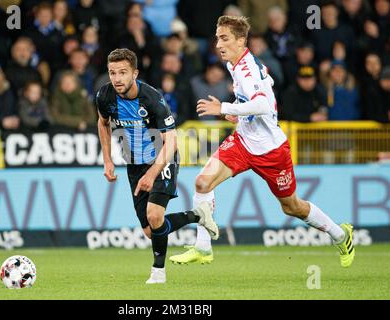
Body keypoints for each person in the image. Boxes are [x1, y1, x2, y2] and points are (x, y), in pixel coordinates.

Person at [169, 15, 355, 268]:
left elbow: (264, 104)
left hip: (271, 151)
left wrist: (224, 107)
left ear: (241, 41)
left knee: (292, 207)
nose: (218, 44)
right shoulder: (235, 64)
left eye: (224, 38)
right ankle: (203, 247)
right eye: (217, 38)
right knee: (202, 182)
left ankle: (340, 235)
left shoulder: (245, 69)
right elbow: (266, 85)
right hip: (243, 143)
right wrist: (240, 112)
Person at [95, 48, 218, 284]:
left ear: (135, 73)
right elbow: (103, 123)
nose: (117, 78)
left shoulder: (152, 98)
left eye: (122, 72)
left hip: (162, 157)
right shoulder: (104, 96)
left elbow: (171, 140)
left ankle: (158, 273)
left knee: (154, 215)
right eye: (112, 73)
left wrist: (153, 173)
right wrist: (108, 159)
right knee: (151, 230)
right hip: (133, 161)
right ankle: (197, 215)